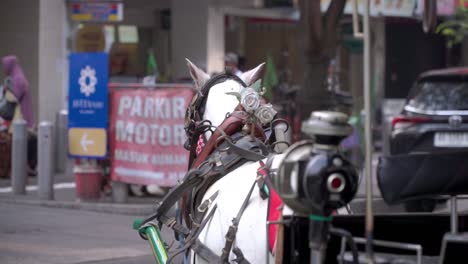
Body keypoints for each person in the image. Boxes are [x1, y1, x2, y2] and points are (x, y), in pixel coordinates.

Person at [1, 55, 37, 175]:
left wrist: (6, 90)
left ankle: (23, 166)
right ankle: (24, 166)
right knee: (22, 140)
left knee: (20, 140)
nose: (4, 68)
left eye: (5, 66)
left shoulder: (18, 79)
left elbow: (13, 97)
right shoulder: (16, 76)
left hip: (20, 114)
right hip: (20, 113)